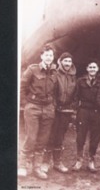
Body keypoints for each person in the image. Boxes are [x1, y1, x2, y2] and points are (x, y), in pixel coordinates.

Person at [18, 45, 57, 180]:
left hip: (48, 109)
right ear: (41, 56)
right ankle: (23, 165)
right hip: (33, 107)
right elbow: (22, 86)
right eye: (46, 55)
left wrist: (53, 105)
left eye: (51, 56)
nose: (48, 58)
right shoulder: (32, 69)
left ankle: (37, 168)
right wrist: (25, 104)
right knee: (31, 138)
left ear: (53, 57)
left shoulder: (54, 71)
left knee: (42, 140)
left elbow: (56, 91)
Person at [43, 52, 77, 174]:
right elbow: (50, 91)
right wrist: (53, 105)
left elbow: (75, 94)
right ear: (60, 62)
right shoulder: (55, 74)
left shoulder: (73, 76)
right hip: (54, 110)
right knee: (50, 135)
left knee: (60, 137)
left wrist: (72, 107)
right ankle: (45, 162)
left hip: (66, 111)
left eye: (69, 61)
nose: (67, 63)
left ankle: (57, 162)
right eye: (65, 61)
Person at [72, 60, 100, 173]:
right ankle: (79, 160)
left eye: (94, 67)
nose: (92, 69)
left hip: (97, 112)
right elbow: (75, 97)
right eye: (90, 67)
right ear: (87, 69)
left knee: (95, 137)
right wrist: (75, 112)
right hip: (83, 111)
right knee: (80, 136)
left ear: (97, 69)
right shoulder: (80, 81)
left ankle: (91, 160)